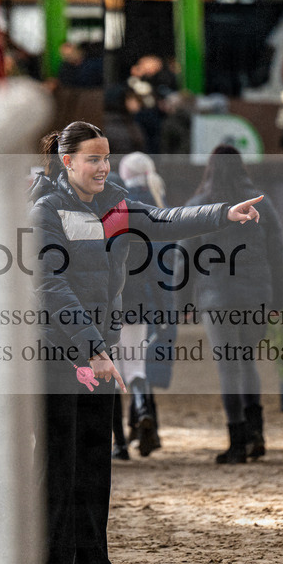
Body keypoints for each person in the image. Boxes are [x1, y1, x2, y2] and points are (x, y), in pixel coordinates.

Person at [28, 121, 266, 564]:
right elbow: (50, 286)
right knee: (59, 466)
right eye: (93, 159)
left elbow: (166, 220)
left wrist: (224, 212)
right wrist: (92, 345)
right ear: (68, 161)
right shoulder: (46, 211)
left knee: (95, 463)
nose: (103, 167)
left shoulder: (116, 204)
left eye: (107, 158)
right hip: (59, 355)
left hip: (99, 356)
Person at [178, 145, 283, 464]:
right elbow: (277, 252)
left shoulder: (198, 205)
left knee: (228, 368)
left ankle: (237, 441)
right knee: (248, 361)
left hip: (217, 297)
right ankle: (257, 434)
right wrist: (279, 298)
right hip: (255, 296)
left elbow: (183, 257)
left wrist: (182, 300)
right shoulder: (261, 204)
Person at [114, 152, 174, 458]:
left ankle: (121, 443)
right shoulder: (156, 205)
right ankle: (142, 414)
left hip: (112, 306)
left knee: (112, 373)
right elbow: (158, 268)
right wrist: (165, 308)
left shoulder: (114, 214)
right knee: (137, 370)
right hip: (141, 303)